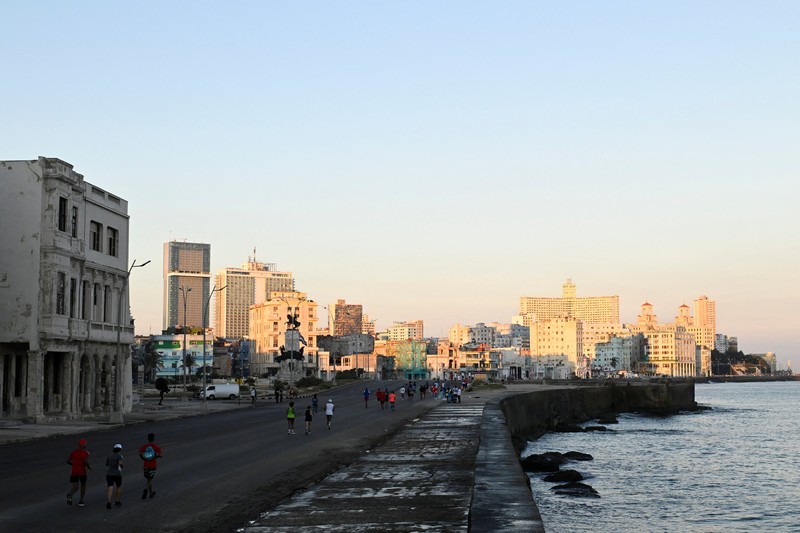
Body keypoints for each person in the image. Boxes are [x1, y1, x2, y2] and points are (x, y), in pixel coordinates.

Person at [66, 438, 91, 507]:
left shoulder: (74, 452)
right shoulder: (85, 453)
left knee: (75, 486)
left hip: (74, 471)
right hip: (82, 472)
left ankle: (70, 494)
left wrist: (73, 464)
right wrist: (89, 467)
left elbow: (68, 460)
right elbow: (85, 461)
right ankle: (81, 500)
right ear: (84, 445)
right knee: (83, 485)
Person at [138, 433, 162, 500]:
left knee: (148, 478)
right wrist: (155, 456)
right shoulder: (156, 447)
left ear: (148, 438)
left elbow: (139, 453)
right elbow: (161, 455)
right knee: (150, 478)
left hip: (145, 465)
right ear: (154, 438)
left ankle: (151, 492)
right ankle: (146, 490)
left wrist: (143, 458)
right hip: (152, 465)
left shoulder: (144, 446)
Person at [105, 443, 124, 509]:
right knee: (118, 486)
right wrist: (122, 465)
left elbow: (107, 464)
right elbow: (120, 464)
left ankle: (109, 502)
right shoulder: (119, 456)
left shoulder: (109, 455)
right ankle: (117, 500)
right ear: (120, 449)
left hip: (109, 473)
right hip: (117, 473)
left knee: (110, 487)